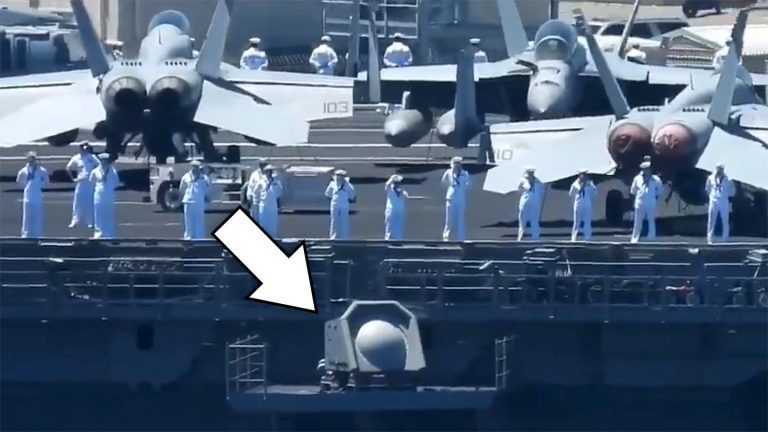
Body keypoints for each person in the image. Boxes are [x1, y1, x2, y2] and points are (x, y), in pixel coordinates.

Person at [65, 142, 99, 229]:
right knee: (78, 202)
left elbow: (99, 166)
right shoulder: (76, 158)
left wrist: (95, 176)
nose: (85, 150)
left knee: (89, 201)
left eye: (86, 148)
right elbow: (68, 168)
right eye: (83, 148)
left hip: (90, 182)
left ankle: (90, 221)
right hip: (80, 182)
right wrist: (73, 178)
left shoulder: (92, 157)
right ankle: (75, 221)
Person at [16, 151, 49, 238]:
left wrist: (39, 185)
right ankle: (25, 233)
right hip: (28, 197)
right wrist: (25, 185)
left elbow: (46, 180)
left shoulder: (41, 170)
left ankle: (38, 233)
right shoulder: (23, 171)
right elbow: (19, 181)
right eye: (30, 159)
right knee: (27, 216)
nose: (31, 161)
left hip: (37, 196)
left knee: (37, 215)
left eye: (33, 159)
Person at [629, 161, 663, 243]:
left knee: (651, 221)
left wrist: (654, 197)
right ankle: (635, 238)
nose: (648, 170)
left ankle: (651, 237)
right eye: (645, 169)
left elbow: (660, 190)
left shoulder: (655, 179)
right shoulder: (637, 178)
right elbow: (633, 191)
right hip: (640, 203)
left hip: (650, 203)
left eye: (649, 169)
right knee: (637, 222)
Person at [89, 153, 121, 239]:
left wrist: (109, 188)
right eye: (102, 161)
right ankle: (98, 233)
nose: (104, 162)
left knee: (108, 214)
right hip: (99, 195)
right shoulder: (95, 171)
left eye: (106, 161)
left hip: (109, 195)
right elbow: (92, 181)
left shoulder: (113, 171)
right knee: (98, 214)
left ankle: (109, 233)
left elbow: (116, 183)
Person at [179, 160, 211, 240]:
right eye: (195, 167)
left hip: (199, 202)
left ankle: (199, 238)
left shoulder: (204, 178)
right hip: (188, 202)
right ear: (192, 167)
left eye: (197, 168)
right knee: (188, 221)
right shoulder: (186, 177)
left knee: (199, 221)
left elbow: (208, 189)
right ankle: (188, 238)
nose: (196, 169)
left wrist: (204, 196)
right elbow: (182, 189)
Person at [441, 157, 471, 241]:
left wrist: (462, 187)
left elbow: (468, 184)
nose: (456, 166)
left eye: (458, 164)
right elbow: (443, 182)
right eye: (455, 163)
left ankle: (461, 237)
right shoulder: (448, 172)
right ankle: (446, 235)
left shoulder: (465, 173)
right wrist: (450, 188)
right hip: (451, 197)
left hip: (460, 197)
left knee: (460, 217)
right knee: (449, 217)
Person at [705, 163, 735, 244]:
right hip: (713, 200)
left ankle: (725, 238)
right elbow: (707, 188)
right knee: (711, 220)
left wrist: (726, 195)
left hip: (723, 200)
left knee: (725, 219)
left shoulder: (728, 179)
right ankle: (709, 238)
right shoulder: (711, 178)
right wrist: (711, 196)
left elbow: (732, 191)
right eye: (718, 168)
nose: (719, 171)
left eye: (720, 169)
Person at [253, 165, 283, 238]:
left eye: (270, 171)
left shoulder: (276, 182)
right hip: (263, 205)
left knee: (272, 223)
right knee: (264, 222)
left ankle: (273, 237)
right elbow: (256, 192)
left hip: (273, 205)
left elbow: (280, 192)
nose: (269, 173)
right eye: (267, 171)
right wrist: (257, 201)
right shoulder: (261, 182)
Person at [325, 170, 356, 239]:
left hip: (344, 206)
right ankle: (333, 237)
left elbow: (352, 196)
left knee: (344, 221)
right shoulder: (332, 184)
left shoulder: (348, 186)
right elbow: (328, 194)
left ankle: (344, 237)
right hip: (334, 205)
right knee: (334, 221)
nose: (339, 177)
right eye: (338, 175)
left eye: (341, 176)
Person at [569, 169, 597, 241]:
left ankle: (588, 237)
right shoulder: (575, 184)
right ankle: (574, 238)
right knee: (576, 222)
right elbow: (571, 195)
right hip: (578, 205)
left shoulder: (590, 184)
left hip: (587, 205)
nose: (583, 176)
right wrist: (575, 202)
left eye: (584, 174)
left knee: (587, 221)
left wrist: (589, 200)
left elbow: (594, 193)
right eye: (582, 174)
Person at [517, 167, 544, 241]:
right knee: (523, 220)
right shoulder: (523, 180)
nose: (531, 174)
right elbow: (519, 189)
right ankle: (520, 237)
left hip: (534, 202)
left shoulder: (537, 181)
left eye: (532, 173)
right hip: (525, 201)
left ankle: (535, 238)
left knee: (534, 220)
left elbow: (541, 190)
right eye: (530, 173)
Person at [384, 174, 409, 240]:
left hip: (399, 213)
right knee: (390, 229)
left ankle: (398, 242)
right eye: (398, 182)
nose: (400, 184)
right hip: (391, 213)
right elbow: (387, 185)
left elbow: (405, 196)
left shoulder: (402, 191)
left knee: (398, 228)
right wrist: (392, 178)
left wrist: (402, 192)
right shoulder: (390, 189)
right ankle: (388, 243)